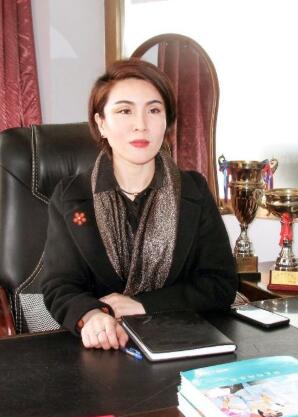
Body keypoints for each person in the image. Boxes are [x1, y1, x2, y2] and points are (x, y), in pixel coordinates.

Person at [41, 59, 238, 350]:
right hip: (101, 351)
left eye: (154, 110)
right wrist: (92, 315)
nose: (141, 125)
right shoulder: (71, 196)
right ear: (101, 123)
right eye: (125, 111)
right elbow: (60, 286)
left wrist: (142, 305)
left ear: (167, 122)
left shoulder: (193, 191)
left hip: (180, 344)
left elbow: (220, 284)